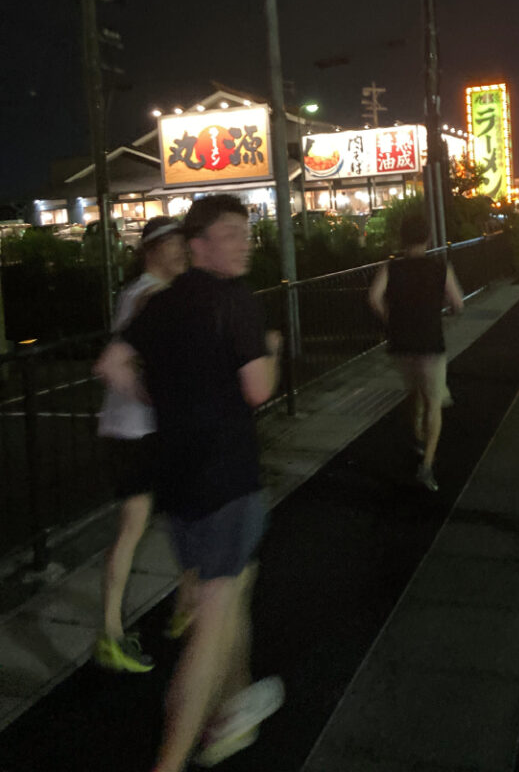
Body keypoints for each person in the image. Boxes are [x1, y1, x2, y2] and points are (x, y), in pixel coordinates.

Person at [95, 194, 284, 771]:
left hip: (176, 479)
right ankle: (173, 759)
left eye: (245, 232)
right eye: (229, 234)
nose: (243, 243)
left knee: (231, 589)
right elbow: (258, 389)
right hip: (226, 474)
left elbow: (110, 365)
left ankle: (233, 703)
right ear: (198, 245)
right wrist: (273, 352)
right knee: (213, 619)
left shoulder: (161, 304)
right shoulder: (235, 299)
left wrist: (161, 400)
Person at [94, 216, 192, 673]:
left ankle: (184, 606)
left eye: (183, 243)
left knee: (179, 514)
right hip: (136, 432)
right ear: (152, 250)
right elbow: (117, 365)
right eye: (172, 244)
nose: (182, 251)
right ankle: (111, 634)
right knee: (138, 527)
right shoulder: (148, 295)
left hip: (139, 429)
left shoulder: (141, 291)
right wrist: (153, 397)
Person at [369, 211, 464, 492]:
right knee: (434, 401)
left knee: (415, 392)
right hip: (430, 342)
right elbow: (458, 303)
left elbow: (373, 297)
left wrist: (390, 318)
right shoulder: (440, 267)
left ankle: (417, 438)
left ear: (402, 238)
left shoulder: (391, 267)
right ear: (428, 238)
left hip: (401, 344)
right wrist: (445, 311)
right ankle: (427, 465)